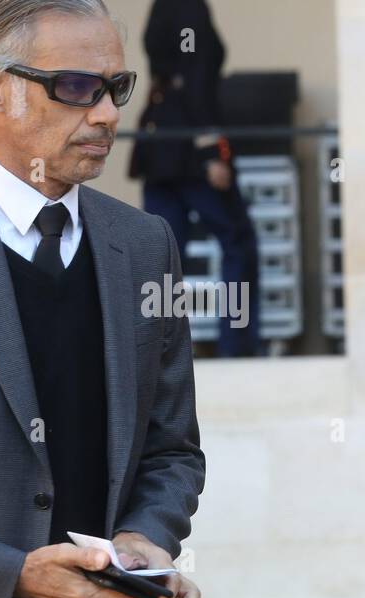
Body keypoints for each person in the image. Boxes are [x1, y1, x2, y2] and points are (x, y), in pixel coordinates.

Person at [0, 0, 205, 598]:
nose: (109, 112)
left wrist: (144, 542)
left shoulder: (141, 244)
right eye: (76, 87)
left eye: (115, 85)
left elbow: (172, 447)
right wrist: (16, 578)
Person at [129, 0, 260, 357]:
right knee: (238, 243)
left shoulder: (163, 7)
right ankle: (237, 346)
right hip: (190, 151)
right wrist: (211, 153)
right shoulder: (189, 8)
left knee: (161, 255)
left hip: (161, 144)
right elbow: (197, 82)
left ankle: (157, 352)